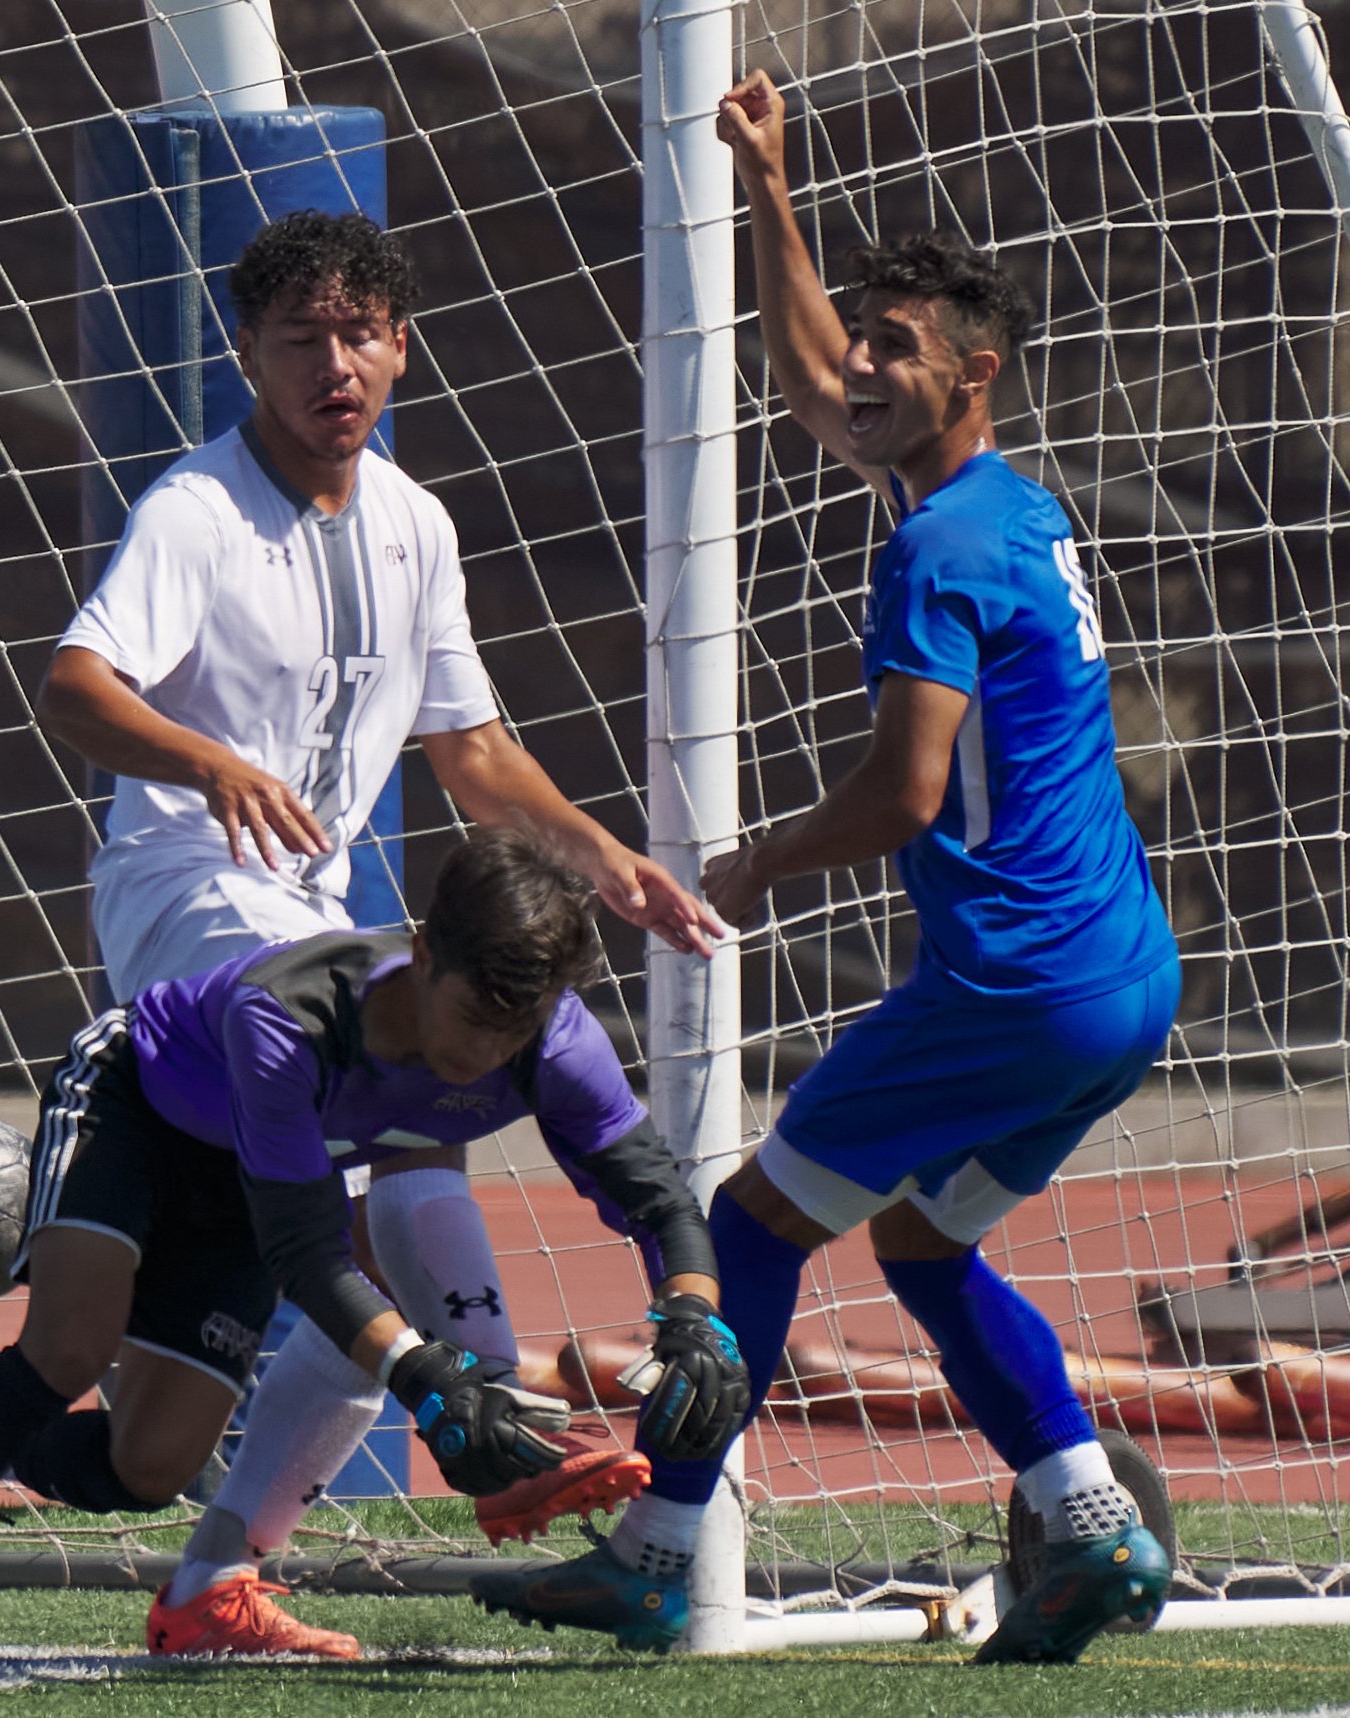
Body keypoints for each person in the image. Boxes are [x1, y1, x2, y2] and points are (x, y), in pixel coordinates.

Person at [472, 69, 1182, 1663]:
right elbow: (808, 379)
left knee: (754, 1221)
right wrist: (773, 187)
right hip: (1124, 976)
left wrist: (758, 862)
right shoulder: (1005, 505)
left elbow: (908, 788)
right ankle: (1092, 1530)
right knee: (923, 1239)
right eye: (862, 336)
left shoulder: (936, 547)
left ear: (974, 375)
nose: (860, 364)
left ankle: (657, 1553)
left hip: (1014, 982)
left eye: (897, 349)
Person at [34, 211, 725, 1647]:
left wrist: (606, 860)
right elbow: (76, 685)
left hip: (314, 900)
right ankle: (499, 1406)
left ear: (400, 347)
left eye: (358, 334)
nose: (332, 364)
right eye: (300, 338)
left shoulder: (416, 522)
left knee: (363, 1254)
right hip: (189, 889)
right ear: (247, 354)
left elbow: (469, 749)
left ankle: (211, 1579)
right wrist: (209, 762)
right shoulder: (195, 511)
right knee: (373, 1182)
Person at [0, 830, 749, 1680]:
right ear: (423, 954)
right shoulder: (288, 1017)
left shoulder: (554, 1039)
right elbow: (305, 1248)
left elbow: (656, 1195)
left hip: (239, 1178)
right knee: (68, 1347)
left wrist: (696, 1315)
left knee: (151, 1470)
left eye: (517, 1027)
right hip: (134, 1110)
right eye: (473, 1015)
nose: (486, 1051)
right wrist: (427, 1377)